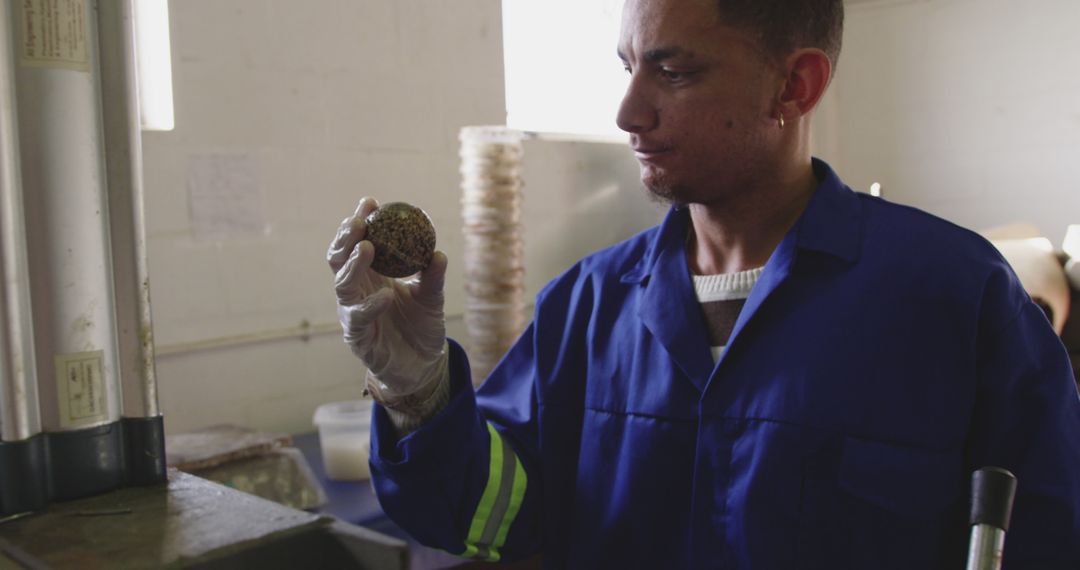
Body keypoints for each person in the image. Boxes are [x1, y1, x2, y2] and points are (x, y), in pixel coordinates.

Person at [327, 0, 1080, 567]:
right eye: (628, 68)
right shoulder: (586, 307)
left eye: (674, 71)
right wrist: (418, 394)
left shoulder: (953, 299)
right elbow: (487, 517)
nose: (628, 113)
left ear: (795, 85)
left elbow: (1048, 536)